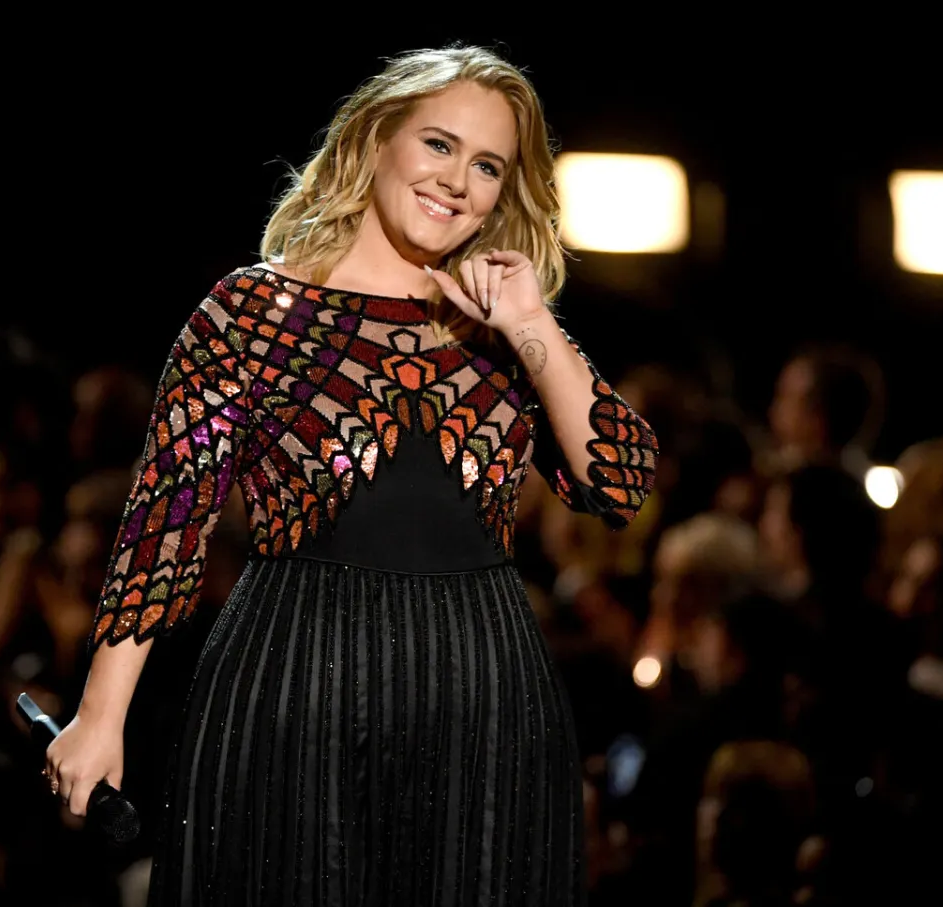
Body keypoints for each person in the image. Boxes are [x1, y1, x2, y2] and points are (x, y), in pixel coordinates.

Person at [45, 45, 658, 906]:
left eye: (488, 165)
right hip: (294, 684)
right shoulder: (249, 311)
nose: (458, 181)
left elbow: (622, 483)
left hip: (483, 699)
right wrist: (100, 715)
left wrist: (531, 326)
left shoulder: (504, 335)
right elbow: (166, 518)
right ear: (375, 142)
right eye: (439, 145)